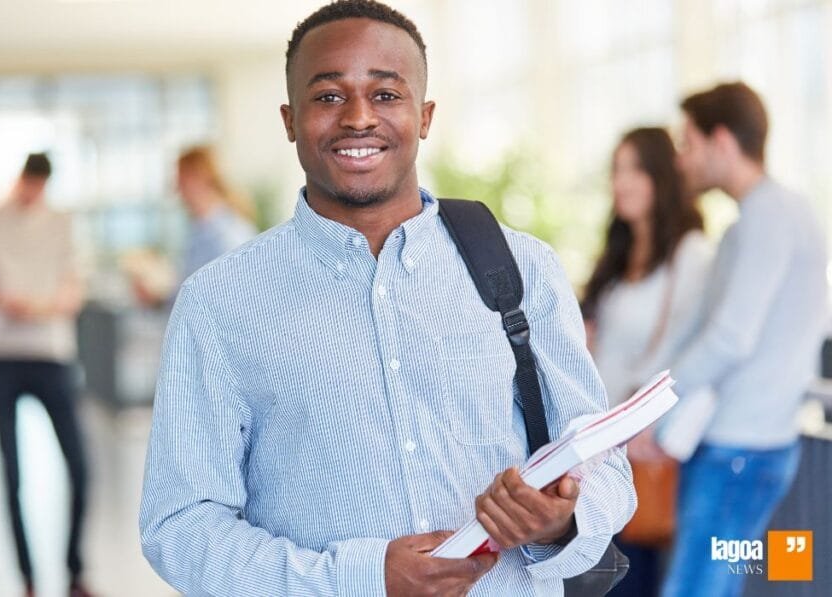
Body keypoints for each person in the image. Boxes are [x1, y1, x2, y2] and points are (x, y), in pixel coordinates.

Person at [139, 2, 635, 595]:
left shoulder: (524, 267)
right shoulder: (219, 302)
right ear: (289, 119)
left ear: (423, 116)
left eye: (386, 95)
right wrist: (359, 578)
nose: (357, 118)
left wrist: (563, 518)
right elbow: (181, 522)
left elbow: (605, 461)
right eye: (327, 97)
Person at [654, 82, 828, 597]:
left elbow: (730, 338)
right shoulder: (757, 221)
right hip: (749, 445)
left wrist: (656, 411)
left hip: (740, 450)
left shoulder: (769, 216)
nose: (683, 161)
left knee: (694, 588)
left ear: (722, 141)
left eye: (690, 143)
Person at [582, 128, 712, 597]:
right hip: (595, 447)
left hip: (639, 445)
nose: (621, 182)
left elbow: (688, 355)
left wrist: (641, 424)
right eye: (616, 170)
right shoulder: (617, 258)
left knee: (630, 576)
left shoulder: (690, 255)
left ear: (661, 175)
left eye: (634, 169)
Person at [0, 153, 94, 597]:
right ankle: (26, 578)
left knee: (80, 468)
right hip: (2, 355)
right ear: (20, 177)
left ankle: (74, 570)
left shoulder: (61, 224)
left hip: (51, 354)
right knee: (11, 472)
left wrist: (40, 307)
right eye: (28, 184)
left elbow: (74, 289)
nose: (31, 192)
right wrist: (4, 301)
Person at [132, 146, 257, 305]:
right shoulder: (201, 232)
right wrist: (157, 299)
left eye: (180, 181)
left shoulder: (228, 236)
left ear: (197, 179)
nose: (176, 190)